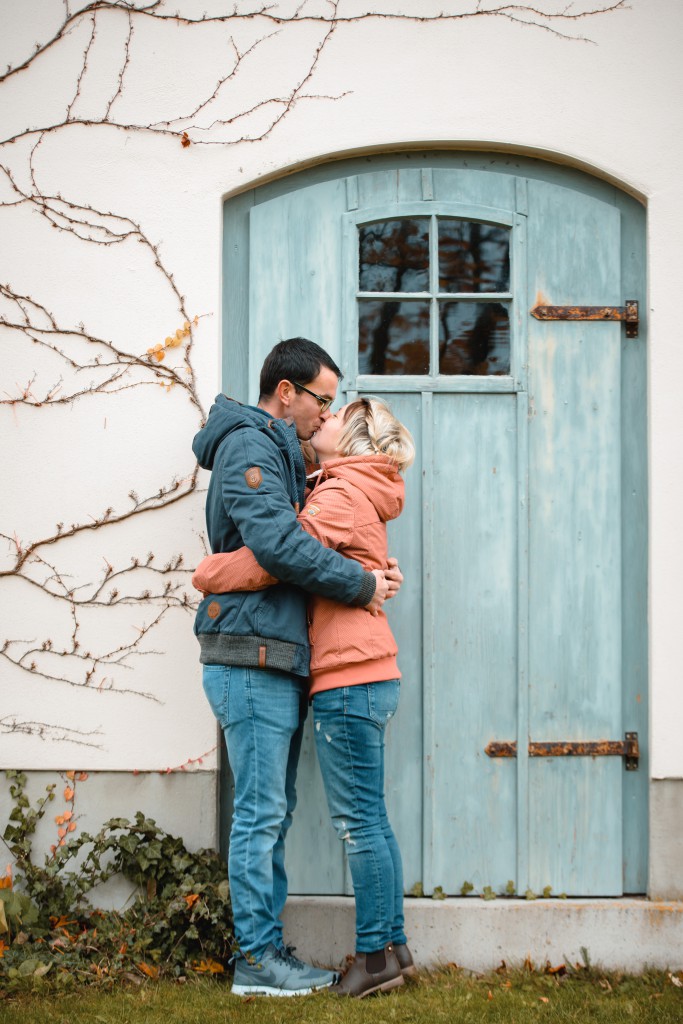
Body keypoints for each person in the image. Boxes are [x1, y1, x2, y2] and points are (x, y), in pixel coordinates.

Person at [192, 338, 401, 997]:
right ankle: (256, 958)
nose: (324, 413)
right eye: (321, 400)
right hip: (250, 653)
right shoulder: (254, 445)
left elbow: (295, 539)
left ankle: (267, 951)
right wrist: (362, 585)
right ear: (287, 393)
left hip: (272, 653)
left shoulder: (292, 458)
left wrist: (368, 574)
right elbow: (280, 546)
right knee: (261, 812)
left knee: (270, 811)